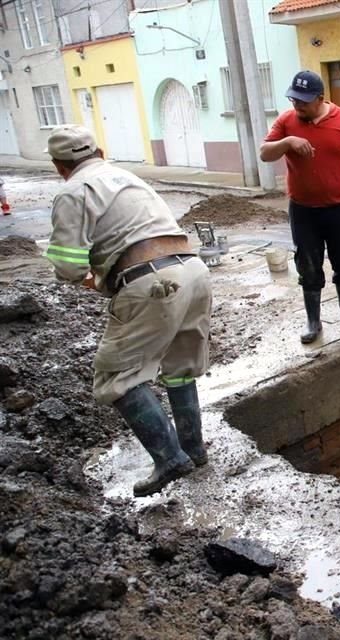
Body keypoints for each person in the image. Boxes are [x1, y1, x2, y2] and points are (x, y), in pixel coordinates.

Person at [44, 125, 211, 497]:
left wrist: (101, 281)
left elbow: (69, 267)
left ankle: (170, 458)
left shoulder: (73, 191)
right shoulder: (124, 175)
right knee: (180, 368)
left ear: (59, 165)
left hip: (151, 280)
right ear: (99, 152)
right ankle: (193, 449)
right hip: (194, 271)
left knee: (114, 377)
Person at [260, 70, 340, 342]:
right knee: (309, 267)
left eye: (303, 101)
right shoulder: (287, 121)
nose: (297, 105)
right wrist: (288, 141)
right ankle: (314, 322)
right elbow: (265, 153)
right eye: (294, 99)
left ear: (320, 98)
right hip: (304, 212)